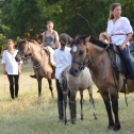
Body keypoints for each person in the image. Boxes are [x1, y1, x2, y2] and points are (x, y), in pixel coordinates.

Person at [107, 3, 134, 91]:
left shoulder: (124, 20)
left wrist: (124, 44)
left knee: (127, 59)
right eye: (117, 10)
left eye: (119, 10)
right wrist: (109, 42)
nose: (119, 11)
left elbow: (130, 33)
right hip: (113, 44)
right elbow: (110, 35)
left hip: (122, 43)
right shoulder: (110, 22)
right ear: (112, 11)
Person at [53, 34, 76, 122]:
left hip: (59, 76)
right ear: (67, 42)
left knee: (60, 97)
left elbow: (55, 62)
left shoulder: (55, 52)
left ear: (59, 41)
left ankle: (61, 117)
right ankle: (73, 116)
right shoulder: (71, 51)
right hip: (69, 76)